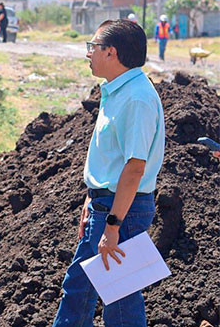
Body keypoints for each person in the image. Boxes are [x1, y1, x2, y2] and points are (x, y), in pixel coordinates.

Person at [53, 19, 165, 326]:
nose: (88, 53)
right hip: (104, 206)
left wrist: (113, 226)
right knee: (78, 289)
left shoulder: (137, 98)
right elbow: (112, 160)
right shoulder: (118, 90)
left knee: (122, 302)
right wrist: (92, 200)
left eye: (93, 46)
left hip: (122, 212)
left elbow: (135, 168)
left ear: (111, 52)